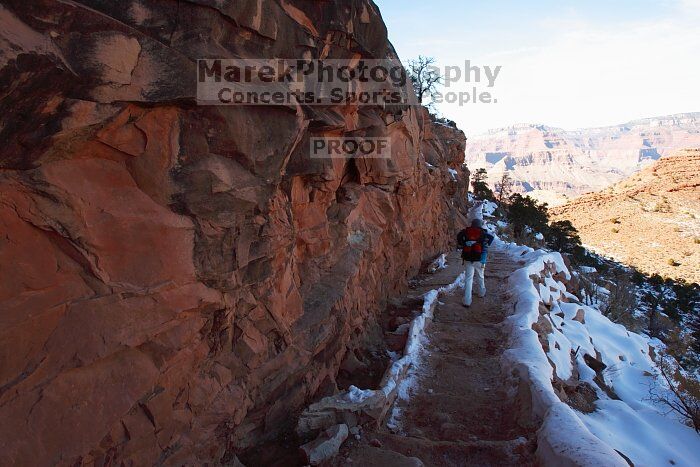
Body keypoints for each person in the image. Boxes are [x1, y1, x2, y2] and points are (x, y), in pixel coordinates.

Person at [457, 218, 495, 307]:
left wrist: (464, 243)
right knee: (480, 276)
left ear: (472, 224)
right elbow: (491, 238)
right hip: (480, 259)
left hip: (468, 258)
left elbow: (459, 237)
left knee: (468, 278)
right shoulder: (483, 233)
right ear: (480, 225)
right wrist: (486, 244)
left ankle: (467, 301)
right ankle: (481, 293)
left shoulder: (466, 231)